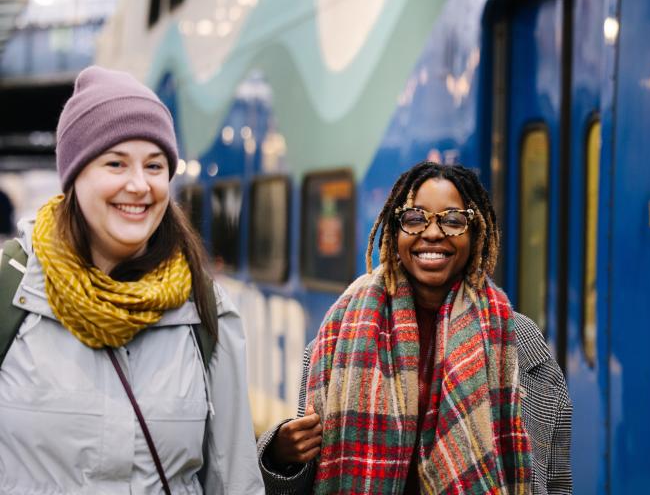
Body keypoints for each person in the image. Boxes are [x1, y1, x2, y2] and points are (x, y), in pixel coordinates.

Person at [0, 66, 264, 494]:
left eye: (155, 165)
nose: (138, 185)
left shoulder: (205, 308)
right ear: (74, 176)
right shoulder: (9, 293)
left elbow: (234, 481)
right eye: (115, 163)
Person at [257, 162, 572, 494]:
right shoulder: (338, 333)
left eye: (453, 220)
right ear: (395, 232)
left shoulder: (519, 341)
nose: (432, 233)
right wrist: (280, 453)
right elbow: (310, 472)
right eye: (414, 219)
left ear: (474, 233)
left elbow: (556, 477)